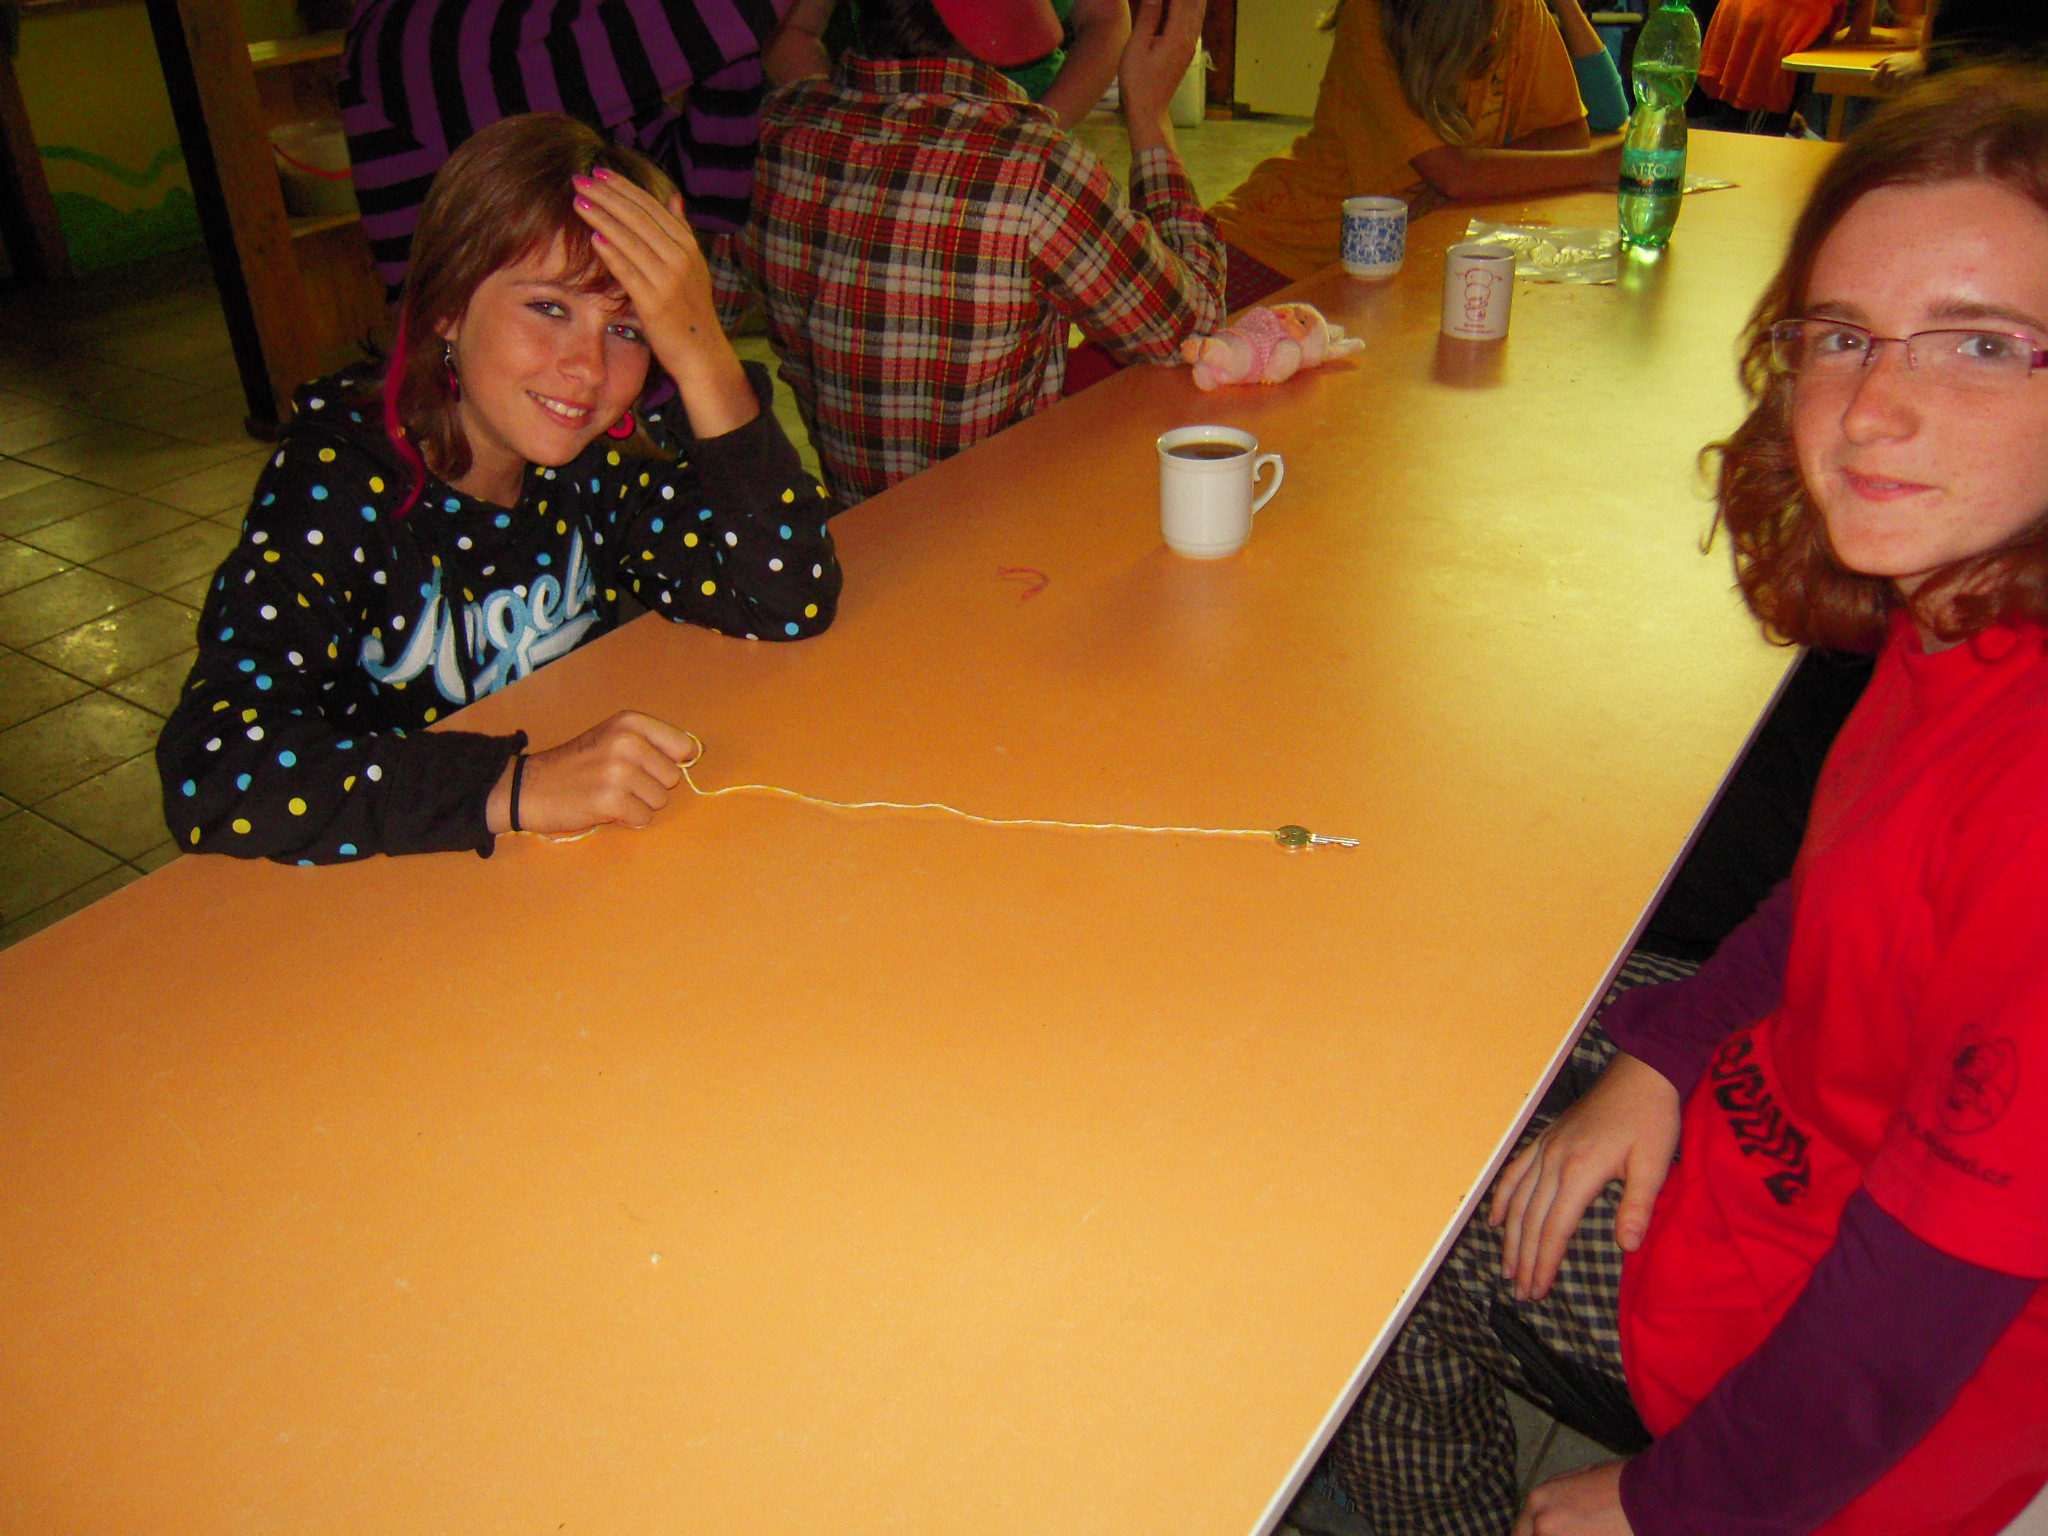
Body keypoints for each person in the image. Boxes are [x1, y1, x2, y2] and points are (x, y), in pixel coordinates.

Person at [1321, 65, 2048, 1536]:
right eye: (1839, 336)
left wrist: (1665, 1507)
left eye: (1980, 344)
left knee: (1361, 1217)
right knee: (1430, 996)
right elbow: (1828, 899)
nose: (1873, 410)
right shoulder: (1963, 611)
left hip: (1838, 1381)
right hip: (1791, 1140)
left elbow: (1904, 1330)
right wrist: (1661, 1058)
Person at [158, 114, 840, 862]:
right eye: (549, 308)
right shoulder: (338, 481)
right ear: (446, 305)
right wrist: (514, 786)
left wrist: (702, 353)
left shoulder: (594, 460)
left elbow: (785, 597)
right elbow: (212, 770)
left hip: (561, 863)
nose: (587, 368)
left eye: (630, 330)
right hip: (392, 878)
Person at [715, 0, 1224, 508]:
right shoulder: (1035, 170)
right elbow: (1189, 333)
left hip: (853, 532)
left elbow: (704, 322)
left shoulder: (769, 135)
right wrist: (1151, 117)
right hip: (1003, 536)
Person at [339, 0, 790, 293]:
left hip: (611, 371)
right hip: (480, 396)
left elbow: (711, 198)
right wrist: (727, 32)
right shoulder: (422, 24)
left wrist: (732, 47)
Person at [1206, 0, 1623, 306]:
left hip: (1392, 265)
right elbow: (1452, 174)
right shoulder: (1370, 15)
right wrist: (1595, 167)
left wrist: (1482, 177)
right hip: (1282, 247)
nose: (1495, 37)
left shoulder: (1518, 8)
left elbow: (1568, 132)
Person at [762, 0, 1131, 128]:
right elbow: (788, 32)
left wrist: (1040, 128)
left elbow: (1106, 19)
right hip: (884, 125)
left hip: (1035, 117)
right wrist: (844, 127)